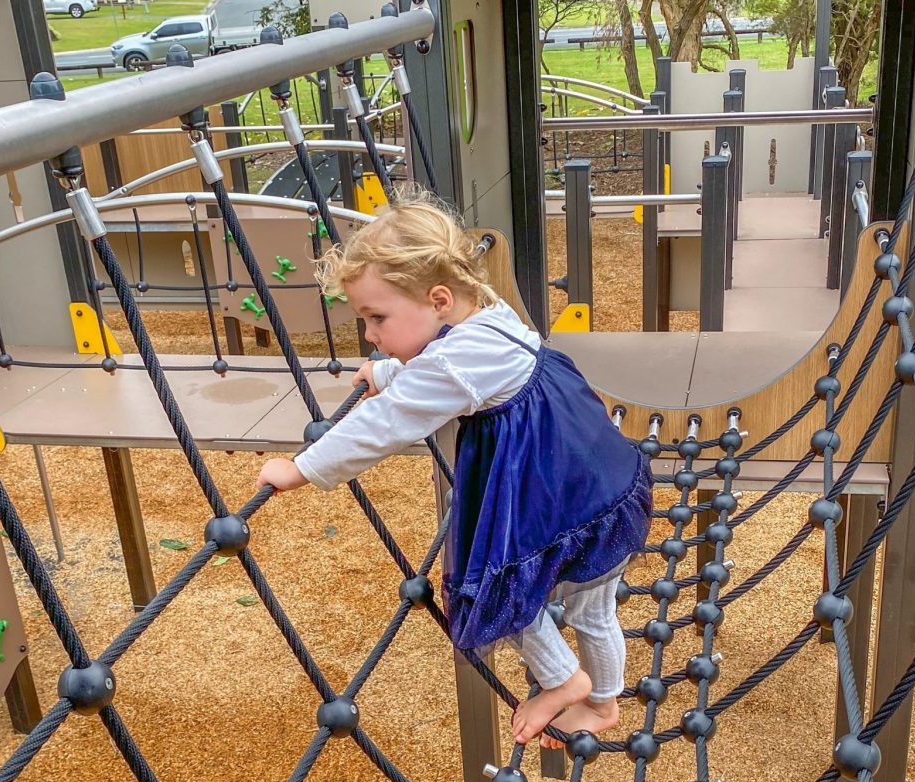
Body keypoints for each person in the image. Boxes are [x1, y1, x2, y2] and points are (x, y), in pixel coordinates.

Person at [256, 190, 653, 746]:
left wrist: (301, 469)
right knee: (593, 610)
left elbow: (386, 424)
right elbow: (455, 376)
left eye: (377, 318)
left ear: (438, 299)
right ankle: (604, 703)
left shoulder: (456, 358)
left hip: (550, 494)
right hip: (597, 480)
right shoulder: (491, 313)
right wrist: (393, 372)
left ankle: (564, 682)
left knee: (496, 585)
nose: (370, 334)